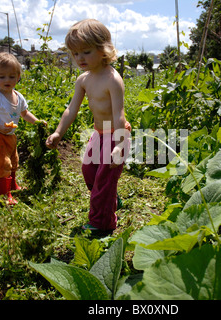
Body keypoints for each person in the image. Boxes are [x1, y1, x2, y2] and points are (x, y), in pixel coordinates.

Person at [46, 19, 131, 233]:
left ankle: (101, 223)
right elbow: (71, 110)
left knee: (103, 179)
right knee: (88, 170)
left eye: (86, 52)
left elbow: (119, 114)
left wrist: (120, 146)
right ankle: (110, 199)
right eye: (75, 53)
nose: (79, 58)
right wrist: (58, 132)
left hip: (117, 135)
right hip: (99, 134)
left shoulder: (113, 79)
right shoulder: (83, 80)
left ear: (103, 50)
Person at [0, 52, 45, 205]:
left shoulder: (18, 96)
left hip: (10, 136)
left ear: (18, 77)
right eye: (2, 77)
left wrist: (37, 122)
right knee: (3, 163)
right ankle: (4, 194)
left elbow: (24, 113)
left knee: (14, 161)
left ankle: (13, 185)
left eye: (11, 76)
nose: (7, 80)